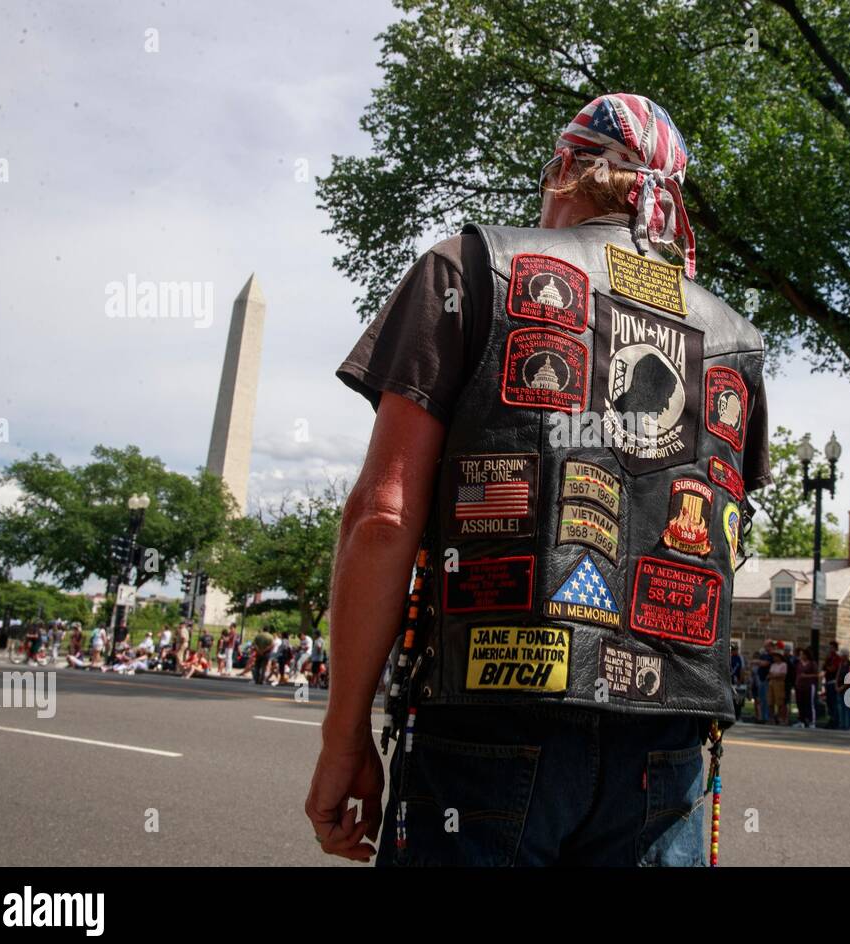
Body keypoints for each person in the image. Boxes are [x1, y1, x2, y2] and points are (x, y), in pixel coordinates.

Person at [307, 93, 769, 867]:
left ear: (562, 170)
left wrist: (343, 735)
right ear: (664, 205)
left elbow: (383, 519)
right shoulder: (736, 341)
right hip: (670, 745)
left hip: (488, 723)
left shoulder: (468, 266)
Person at [822, 642, 841, 728]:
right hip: (827, 681)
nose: (830, 650)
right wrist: (826, 663)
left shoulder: (837, 658)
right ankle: (831, 719)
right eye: (830, 648)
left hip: (833, 682)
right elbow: (824, 668)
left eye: (832, 648)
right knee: (829, 702)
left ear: (836, 649)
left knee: (834, 703)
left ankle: (836, 721)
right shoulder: (829, 658)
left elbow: (832, 669)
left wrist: (827, 666)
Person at [768, 650, 789, 726]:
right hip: (771, 683)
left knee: (780, 701)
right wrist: (775, 675)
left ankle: (780, 718)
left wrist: (775, 675)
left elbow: (783, 675)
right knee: (771, 701)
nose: (774, 658)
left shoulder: (784, 665)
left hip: (779, 684)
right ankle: (771, 718)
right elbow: (770, 674)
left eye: (776, 656)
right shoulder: (773, 665)